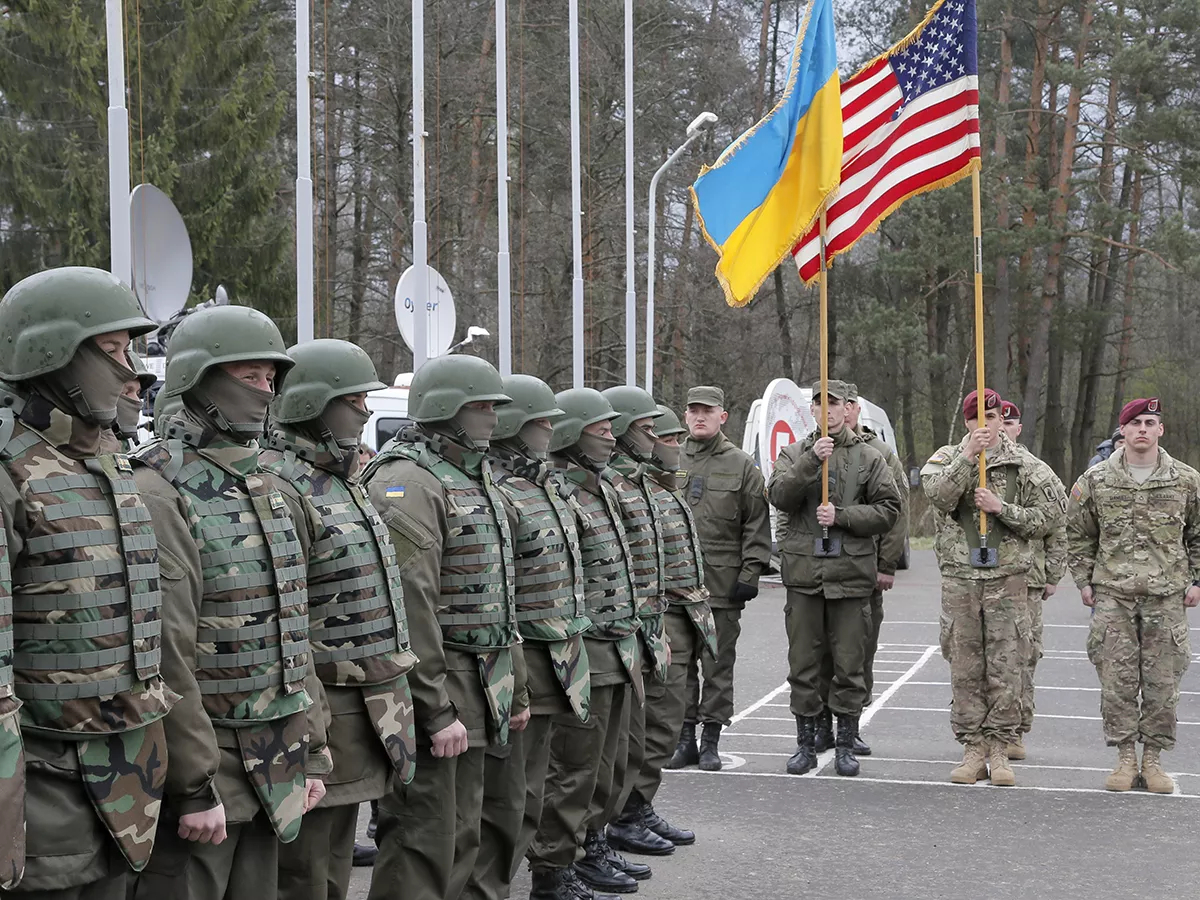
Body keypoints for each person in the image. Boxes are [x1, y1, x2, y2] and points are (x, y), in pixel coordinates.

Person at [129, 305, 330, 900]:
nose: (265, 392)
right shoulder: (157, 491)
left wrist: (313, 748)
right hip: (207, 762)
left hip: (275, 758)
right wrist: (193, 783)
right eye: (249, 376)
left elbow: (294, 629)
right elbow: (166, 654)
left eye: (271, 378)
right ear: (199, 381)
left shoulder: (267, 486)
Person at [0, 267, 176, 899]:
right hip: (41, 797)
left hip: (123, 785)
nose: (131, 370)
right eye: (113, 350)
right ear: (51, 354)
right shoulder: (10, 469)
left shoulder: (105, 461)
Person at [362, 356, 523, 900]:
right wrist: (433, 706)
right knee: (423, 838)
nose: (492, 418)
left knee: (460, 833)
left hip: (477, 684)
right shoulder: (409, 480)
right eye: (481, 406)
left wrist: (513, 689)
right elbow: (409, 604)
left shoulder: (469, 474)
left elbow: (501, 594)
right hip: (437, 685)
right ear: (446, 410)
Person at [263, 339, 419, 900]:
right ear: (313, 404)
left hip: (356, 709)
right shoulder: (282, 485)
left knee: (329, 864)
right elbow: (283, 621)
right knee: (303, 873)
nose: (365, 411)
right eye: (353, 401)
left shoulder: (342, 479)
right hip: (316, 708)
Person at [474, 374, 594, 900]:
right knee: (501, 802)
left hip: (556, 657)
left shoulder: (544, 486)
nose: (549, 431)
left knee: (527, 794)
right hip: (513, 664)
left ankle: (541, 876)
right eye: (541, 421)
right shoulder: (495, 490)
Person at [527, 388, 638, 900]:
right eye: (602, 429)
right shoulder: (557, 492)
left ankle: (590, 843)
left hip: (613, 643)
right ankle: (554, 868)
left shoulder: (600, 488)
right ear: (574, 434)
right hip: (579, 649)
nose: (613, 438)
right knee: (572, 767)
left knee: (605, 763)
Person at [921, 388, 1062, 787]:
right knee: (965, 666)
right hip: (961, 580)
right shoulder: (946, 459)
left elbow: (1051, 517)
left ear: (1002, 420)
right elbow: (938, 497)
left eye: (993, 417)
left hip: (1008, 580)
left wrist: (1003, 509)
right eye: (976, 419)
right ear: (967, 422)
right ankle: (972, 748)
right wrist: (968, 457)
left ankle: (1000, 748)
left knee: (1007, 665)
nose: (985, 424)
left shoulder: (1026, 466)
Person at [768, 380, 901, 778]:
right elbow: (778, 495)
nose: (827, 411)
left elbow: (889, 509)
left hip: (850, 576)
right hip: (805, 576)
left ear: (848, 408)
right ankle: (806, 743)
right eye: (819, 404)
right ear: (811, 410)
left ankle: (845, 743)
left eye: (834, 404)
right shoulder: (794, 453)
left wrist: (842, 517)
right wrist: (812, 460)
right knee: (803, 663)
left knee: (849, 663)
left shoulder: (869, 457)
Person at [1067, 398, 1200, 793]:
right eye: (1135, 423)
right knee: (1117, 682)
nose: (1143, 429)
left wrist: (1197, 580)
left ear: (1161, 430)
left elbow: (1197, 534)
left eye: (1150, 422)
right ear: (1122, 431)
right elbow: (1078, 534)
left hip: (1166, 597)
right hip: (1114, 596)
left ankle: (1153, 761)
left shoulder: (1186, 480)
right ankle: (1125, 758)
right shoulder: (1096, 480)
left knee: (1163, 683)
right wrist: (1083, 580)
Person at [610, 404, 717, 851]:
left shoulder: (663, 488)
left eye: (674, 438)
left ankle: (639, 806)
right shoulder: (626, 490)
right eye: (665, 438)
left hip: (681, 614)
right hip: (656, 617)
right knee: (652, 721)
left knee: (667, 720)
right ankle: (625, 814)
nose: (674, 446)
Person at [668, 386, 771, 772]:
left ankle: (711, 739)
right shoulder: (670, 458)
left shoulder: (741, 465)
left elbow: (756, 524)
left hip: (721, 587)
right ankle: (684, 739)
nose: (700, 417)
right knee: (679, 666)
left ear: (722, 416)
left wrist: (751, 572)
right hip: (675, 585)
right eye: (693, 410)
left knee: (717, 665)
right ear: (685, 415)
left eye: (707, 411)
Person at [597, 386, 675, 861]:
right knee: (608, 749)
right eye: (646, 429)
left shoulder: (641, 482)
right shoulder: (609, 487)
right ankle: (610, 826)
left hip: (644, 620)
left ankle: (632, 811)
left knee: (642, 733)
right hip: (615, 630)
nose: (657, 438)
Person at [808, 384, 908, 756]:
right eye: (828, 403)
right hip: (819, 568)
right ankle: (821, 723)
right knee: (819, 652)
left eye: (846, 404)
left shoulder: (877, 453)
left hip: (863, 566)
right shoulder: (811, 449)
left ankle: (852, 723)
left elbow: (897, 512)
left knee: (858, 651)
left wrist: (886, 564)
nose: (840, 411)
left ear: (854, 409)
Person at [999, 400, 1067, 760]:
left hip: (1029, 578)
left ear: (1018, 428)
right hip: (989, 576)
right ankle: (990, 729)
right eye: (996, 422)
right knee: (991, 656)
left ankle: (1016, 729)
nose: (1002, 429)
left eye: (1008, 423)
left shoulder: (1036, 470)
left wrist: (1053, 573)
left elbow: (1057, 526)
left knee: (1024, 655)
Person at [113, 352, 157, 451]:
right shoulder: (88, 447)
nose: (137, 400)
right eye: (126, 392)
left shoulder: (125, 442)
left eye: (138, 393)